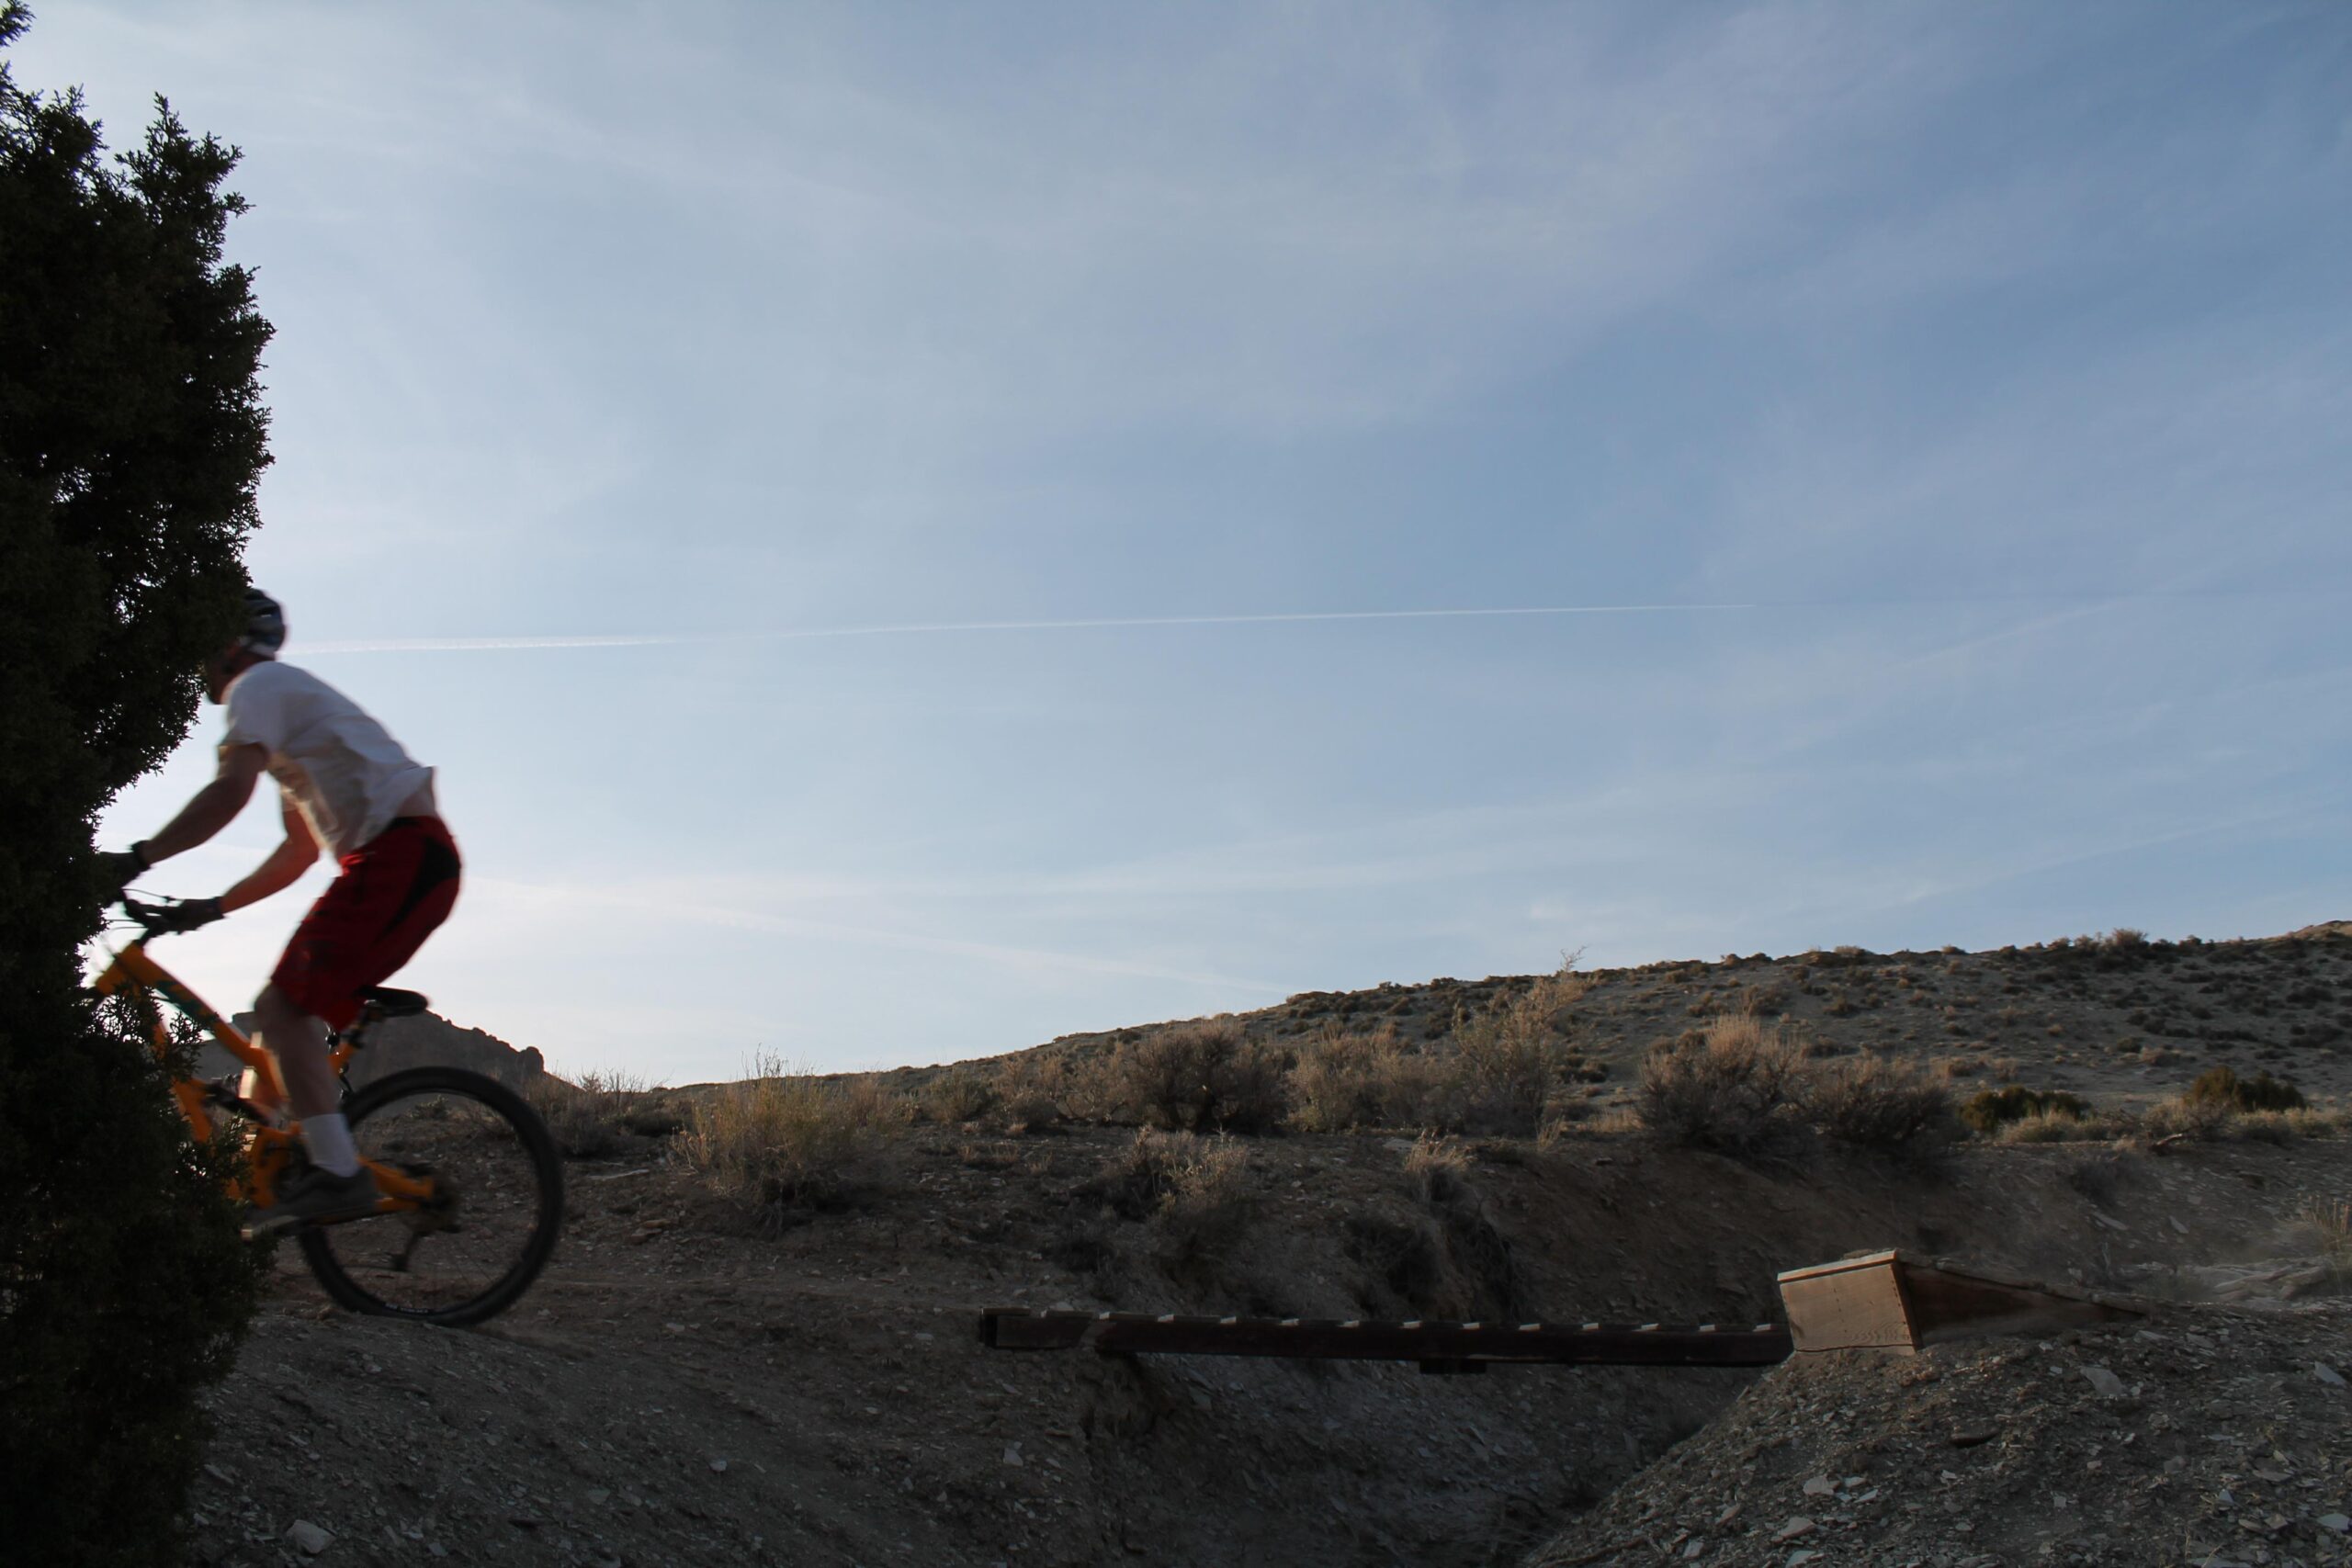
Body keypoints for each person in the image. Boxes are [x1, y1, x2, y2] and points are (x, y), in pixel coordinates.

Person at [99, 589, 461, 1235]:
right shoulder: (286, 709)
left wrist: (137, 857)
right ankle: (251, 1195)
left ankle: (337, 1171)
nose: (198, 669)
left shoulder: (257, 687)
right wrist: (209, 907)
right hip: (396, 858)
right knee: (270, 1044)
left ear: (227, 646)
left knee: (280, 1008)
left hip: (401, 856)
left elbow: (228, 791)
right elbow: (297, 851)